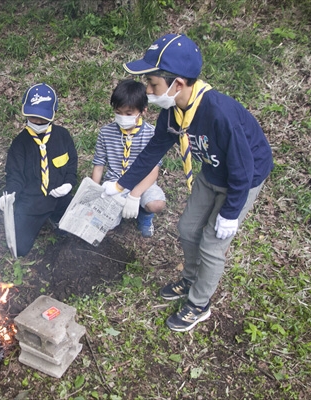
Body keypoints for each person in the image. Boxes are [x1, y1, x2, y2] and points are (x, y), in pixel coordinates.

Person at [103, 34, 273, 332]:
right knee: (188, 228)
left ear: (177, 84)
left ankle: (199, 303)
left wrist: (231, 212)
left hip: (241, 179)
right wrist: (121, 185)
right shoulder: (173, 111)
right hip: (211, 173)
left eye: (153, 83)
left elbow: (243, 168)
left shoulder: (219, 112)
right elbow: (153, 150)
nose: (147, 90)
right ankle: (190, 278)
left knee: (211, 243)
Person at [0, 83, 78, 257]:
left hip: (59, 198)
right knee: (19, 249)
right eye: (33, 117)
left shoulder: (62, 136)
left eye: (43, 118)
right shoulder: (20, 144)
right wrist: (9, 194)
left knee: (80, 231)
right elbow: (15, 176)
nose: (38, 122)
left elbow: (71, 164)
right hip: (32, 202)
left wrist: (69, 184)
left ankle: (57, 219)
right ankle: (40, 220)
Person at [92, 79, 166, 237]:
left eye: (128, 114)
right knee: (105, 223)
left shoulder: (152, 134)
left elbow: (153, 170)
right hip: (114, 182)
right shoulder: (106, 133)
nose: (122, 117)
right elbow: (99, 165)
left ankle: (145, 215)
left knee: (156, 204)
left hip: (143, 181)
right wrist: (93, 191)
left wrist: (135, 195)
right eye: (118, 112)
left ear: (143, 111)